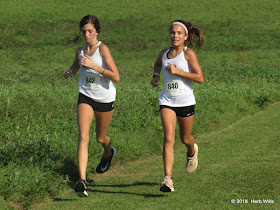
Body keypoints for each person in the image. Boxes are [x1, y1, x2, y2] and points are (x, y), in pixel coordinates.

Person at [64, 15, 120, 197]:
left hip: (104, 98)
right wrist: (70, 72)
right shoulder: (80, 51)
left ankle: (108, 151)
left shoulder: (102, 49)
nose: (86, 35)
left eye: (90, 31)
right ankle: (82, 180)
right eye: (83, 31)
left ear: (97, 31)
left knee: (100, 137)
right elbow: (76, 66)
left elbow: (115, 76)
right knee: (83, 136)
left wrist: (95, 66)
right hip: (86, 96)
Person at [151, 20, 204, 192]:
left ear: (186, 37)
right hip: (167, 100)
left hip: (185, 101)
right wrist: (156, 76)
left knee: (185, 138)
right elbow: (157, 64)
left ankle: (191, 150)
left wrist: (178, 71)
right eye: (173, 33)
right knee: (168, 138)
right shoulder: (164, 53)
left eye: (179, 33)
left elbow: (199, 78)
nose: (175, 36)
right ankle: (168, 179)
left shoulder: (188, 54)